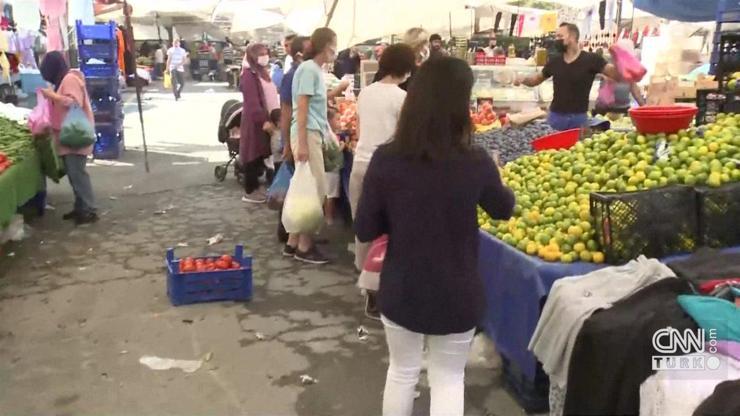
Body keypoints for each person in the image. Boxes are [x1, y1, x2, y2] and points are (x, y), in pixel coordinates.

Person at [354, 56, 515, 416]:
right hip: (457, 292)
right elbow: (504, 208)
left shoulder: (386, 159)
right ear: (461, 105)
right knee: (447, 378)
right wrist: (494, 177)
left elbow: (365, 227)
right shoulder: (475, 161)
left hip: (402, 289)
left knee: (401, 372)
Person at [350, 43, 415, 316]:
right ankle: (380, 289)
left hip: (360, 164)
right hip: (387, 171)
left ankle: (366, 287)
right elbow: (404, 137)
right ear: (406, 68)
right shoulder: (402, 98)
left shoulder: (365, 93)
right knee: (387, 232)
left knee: (364, 228)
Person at [283, 27, 342, 265]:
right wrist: (304, 143)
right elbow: (303, 106)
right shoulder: (309, 69)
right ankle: (305, 247)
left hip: (310, 132)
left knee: (304, 188)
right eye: (333, 45)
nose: (335, 51)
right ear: (324, 45)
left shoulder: (313, 70)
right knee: (315, 190)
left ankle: (292, 243)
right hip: (307, 133)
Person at [516, 23, 629, 131]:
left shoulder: (592, 60)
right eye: (556, 37)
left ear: (572, 37)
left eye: (560, 36)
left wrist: (620, 58)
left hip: (578, 118)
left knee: (575, 149)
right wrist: (522, 79)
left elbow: (616, 74)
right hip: (556, 117)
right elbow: (535, 80)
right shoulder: (555, 61)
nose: (556, 40)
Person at [39, 51, 98, 225]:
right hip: (68, 134)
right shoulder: (64, 80)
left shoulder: (70, 79)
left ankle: (89, 209)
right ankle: (80, 207)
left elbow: (74, 103)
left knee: (77, 173)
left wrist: (52, 96)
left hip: (75, 134)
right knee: (73, 174)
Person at [276, 35, 311, 244]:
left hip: (296, 137)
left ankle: (292, 236)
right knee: (296, 188)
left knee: (298, 186)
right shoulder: (293, 75)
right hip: (294, 138)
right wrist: (287, 143)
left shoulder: (302, 72)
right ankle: (288, 232)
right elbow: (286, 111)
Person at [239, 43, 280, 203]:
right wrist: (263, 121)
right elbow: (252, 101)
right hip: (256, 121)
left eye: (266, 53)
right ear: (253, 56)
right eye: (261, 54)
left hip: (267, 118)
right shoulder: (249, 75)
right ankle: (250, 191)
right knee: (252, 155)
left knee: (261, 154)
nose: (264, 56)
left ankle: (257, 188)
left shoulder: (262, 72)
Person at [324, 108, 344, 226]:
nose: (339, 122)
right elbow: (333, 152)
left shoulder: (330, 135)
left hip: (330, 169)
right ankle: (328, 217)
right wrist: (342, 145)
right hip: (331, 169)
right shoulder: (329, 137)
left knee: (329, 193)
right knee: (330, 194)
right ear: (329, 121)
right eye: (337, 119)